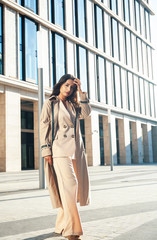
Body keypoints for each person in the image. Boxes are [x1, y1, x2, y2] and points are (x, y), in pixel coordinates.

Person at [40, 74, 91, 240]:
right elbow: (44, 127)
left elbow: (86, 113)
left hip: (75, 150)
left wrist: (81, 91)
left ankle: (61, 224)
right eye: (66, 85)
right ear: (60, 84)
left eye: (72, 87)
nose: (69, 89)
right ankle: (72, 230)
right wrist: (46, 150)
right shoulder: (50, 103)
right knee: (71, 185)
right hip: (59, 150)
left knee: (68, 190)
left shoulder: (73, 104)